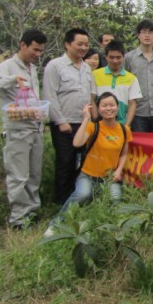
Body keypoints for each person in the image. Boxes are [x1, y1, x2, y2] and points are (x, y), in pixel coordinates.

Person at [44, 93, 132, 237]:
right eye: (104, 105)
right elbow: (77, 143)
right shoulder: (93, 127)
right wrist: (86, 119)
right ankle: (55, 224)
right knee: (82, 194)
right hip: (88, 175)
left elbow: (124, 154)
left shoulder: (124, 130)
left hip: (109, 177)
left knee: (115, 199)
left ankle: (110, 227)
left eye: (112, 105)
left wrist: (119, 171)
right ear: (98, 108)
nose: (108, 108)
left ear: (118, 107)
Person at [0, 29, 47, 228]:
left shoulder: (31, 67)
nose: (37, 54)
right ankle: (18, 219)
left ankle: (31, 211)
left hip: (35, 127)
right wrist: (11, 80)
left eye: (40, 51)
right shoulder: (7, 67)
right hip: (17, 129)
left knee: (33, 174)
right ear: (23, 45)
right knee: (18, 175)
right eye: (35, 50)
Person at [43, 28, 97, 204]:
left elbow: (91, 95)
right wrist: (61, 121)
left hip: (84, 123)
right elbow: (50, 96)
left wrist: (94, 120)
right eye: (79, 44)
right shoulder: (55, 66)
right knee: (65, 162)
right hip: (64, 124)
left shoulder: (87, 68)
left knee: (83, 164)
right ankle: (61, 201)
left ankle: (77, 200)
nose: (83, 48)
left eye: (86, 45)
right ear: (67, 44)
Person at [124, 20, 153, 133]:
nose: (147, 35)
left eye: (151, 32)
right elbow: (125, 84)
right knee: (140, 147)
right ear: (138, 35)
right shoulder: (129, 57)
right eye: (144, 32)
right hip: (138, 111)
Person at [93, 40, 142, 126]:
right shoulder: (95, 75)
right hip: (100, 125)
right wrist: (96, 119)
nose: (115, 61)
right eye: (111, 57)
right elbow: (91, 99)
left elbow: (132, 104)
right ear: (106, 57)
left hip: (121, 125)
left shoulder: (131, 78)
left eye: (118, 57)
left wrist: (126, 126)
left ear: (123, 57)